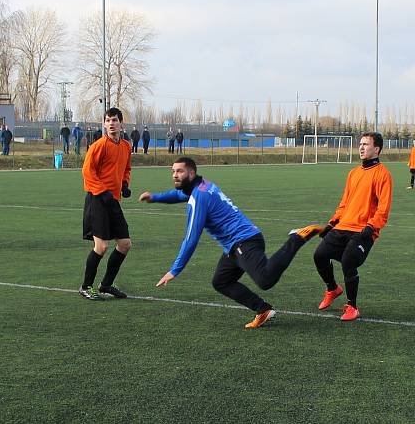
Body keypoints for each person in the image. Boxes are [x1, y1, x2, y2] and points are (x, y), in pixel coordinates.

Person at [140, 156, 322, 328]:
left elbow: (191, 238)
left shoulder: (199, 197)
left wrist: (175, 269)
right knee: (221, 281)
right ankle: (263, 309)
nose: (174, 175)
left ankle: (297, 237)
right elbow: (179, 195)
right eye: (173, 171)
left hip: (245, 241)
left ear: (191, 173)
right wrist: (155, 197)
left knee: (265, 279)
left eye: (179, 171)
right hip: (235, 245)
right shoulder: (203, 186)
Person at [310, 132, 392, 321]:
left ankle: (352, 307)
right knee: (319, 255)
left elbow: (383, 208)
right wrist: (332, 223)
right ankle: (332, 289)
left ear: (376, 149)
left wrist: (372, 226)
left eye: (366, 144)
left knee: (348, 262)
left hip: (364, 230)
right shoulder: (353, 173)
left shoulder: (383, 174)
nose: (361, 147)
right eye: (360, 144)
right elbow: (345, 203)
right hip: (343, 226)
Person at [78, 107, 132, 301]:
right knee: (101, 246)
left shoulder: (126, 146)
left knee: (125, 244)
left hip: (113, 201)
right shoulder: (99, 145)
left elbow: (126, 168)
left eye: (115, 120)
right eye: (108, 120)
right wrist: (103, 192)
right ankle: (86, 287)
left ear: (121, 124)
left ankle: (106, 284)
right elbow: (87, 172)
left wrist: (125, 184)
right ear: (104, 124)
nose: (111, 123)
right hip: (97, 200)